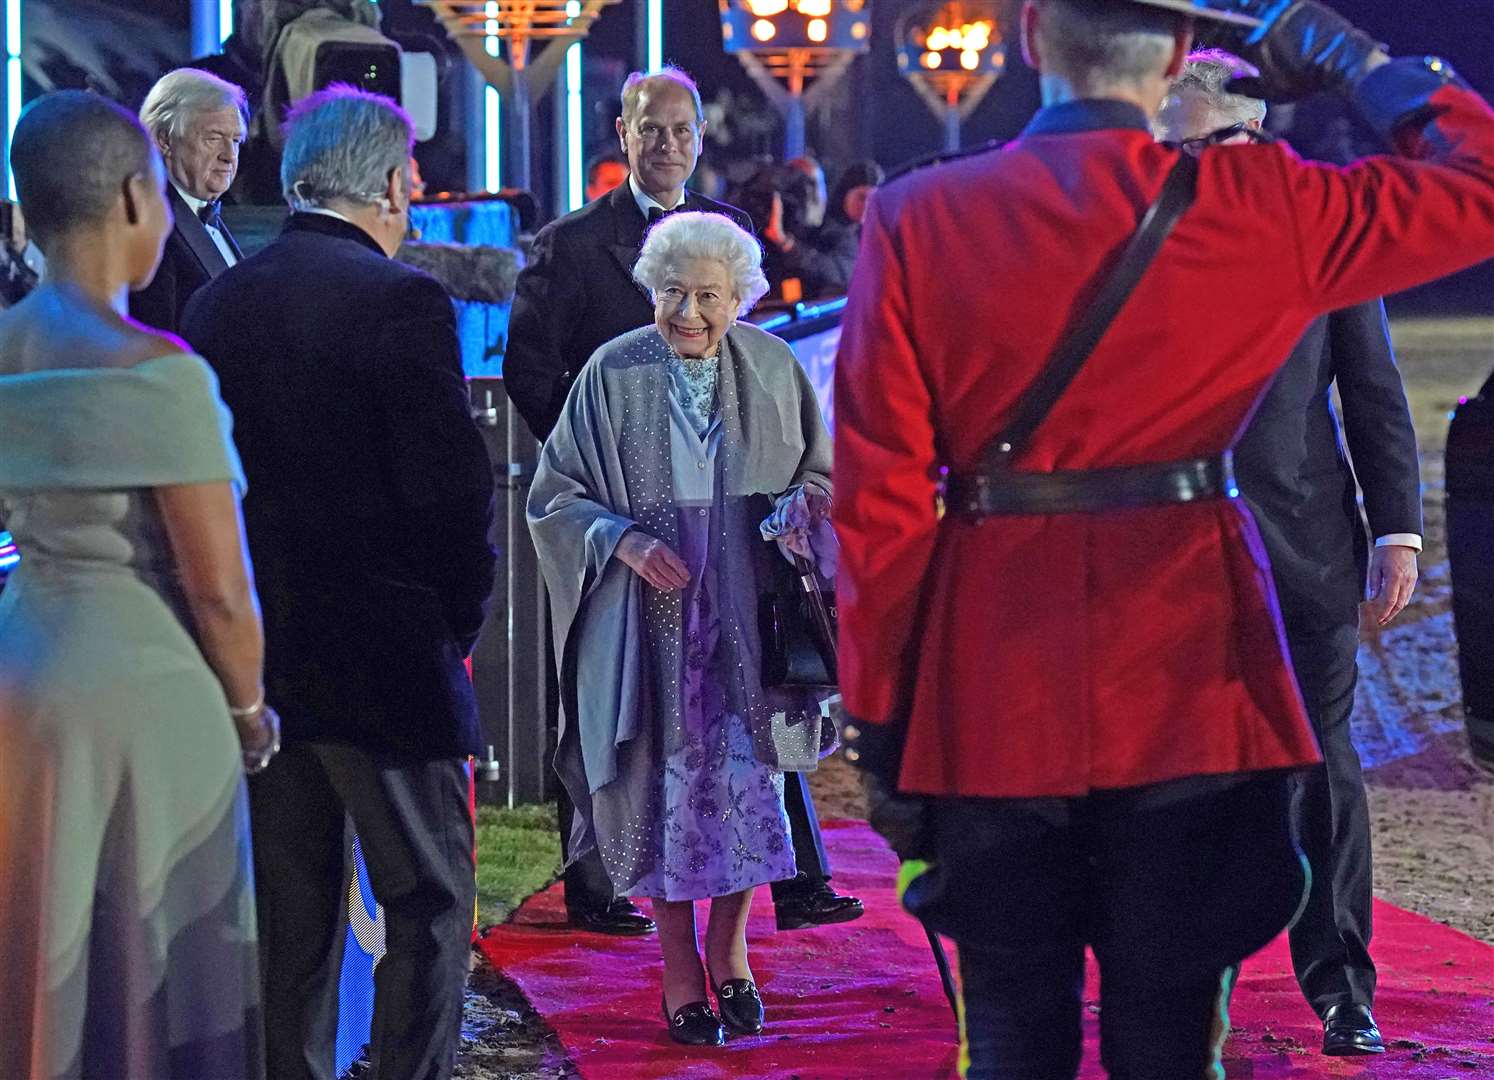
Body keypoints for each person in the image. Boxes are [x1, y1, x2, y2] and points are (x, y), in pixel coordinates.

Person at [834, 0, 1494, 1075]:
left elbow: (879, 510)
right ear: (1183, 52)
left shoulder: (921, 214)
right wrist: (1352, 61)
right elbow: (1479, 182)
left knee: (1010, 1034)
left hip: (993, 675)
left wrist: (881, 719)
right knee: (1173, 1037)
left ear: (1030, 36)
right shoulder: (1258, 204)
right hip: (1191, 672)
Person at [180, 86, 496, 1080]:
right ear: (394, 187)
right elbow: (450, 492)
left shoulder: (219, 298)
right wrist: (456, 622)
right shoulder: (401, 300)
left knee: (293, 913)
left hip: (265, 655)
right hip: (388, 657)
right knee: (431, 901)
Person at [506, 66, 861, 936]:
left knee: (750, 720)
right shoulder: (572, 244)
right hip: (631, 515)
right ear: (622, 135)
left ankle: (781, 886)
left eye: (682, 129)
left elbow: (806, 453)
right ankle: (603, 888)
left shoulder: (732, 244)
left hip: (736, 548)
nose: (667, 144)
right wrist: (614, 459)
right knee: (626, 722)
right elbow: (531, 372)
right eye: (649, 128)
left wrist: (790, 506)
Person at [0, 90, 276, 1080]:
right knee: (150, 962)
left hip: (21, 672)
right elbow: (219, 592)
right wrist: (248, 712)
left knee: (37, 942)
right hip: (141, 692)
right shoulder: (160, 374)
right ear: (132, 197)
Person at [1156, 48, 1422, 1058]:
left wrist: (1396, 527)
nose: (1174, 154)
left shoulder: (1323, 236)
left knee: (1322, 771)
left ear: (1247, 134)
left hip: (1303, 551)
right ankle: (1184, 984)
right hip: (1168, 564)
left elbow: (1373, 387)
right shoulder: (1140, 237)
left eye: (1189, 135)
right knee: (1180, 779)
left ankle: (1342, 984)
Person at [529, 210, 837, 1046]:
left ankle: (729, 950)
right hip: (646, 619)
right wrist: (620, 539)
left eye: (709, 295)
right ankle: (678, 971)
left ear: (742, 297)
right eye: (672, 293)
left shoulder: (775, 367)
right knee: (659, 785)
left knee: (748, 784)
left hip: (749, 617)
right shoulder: (610, 372)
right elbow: (553, 497)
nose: (689, 313)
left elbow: (822, 475)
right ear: (649, 291)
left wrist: (802, 513)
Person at [130, 68, 247, 334]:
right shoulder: (150, 228)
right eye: (214, 138)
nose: (229, 156)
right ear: (165, 140)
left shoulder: (207, 214)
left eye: (236, 140)